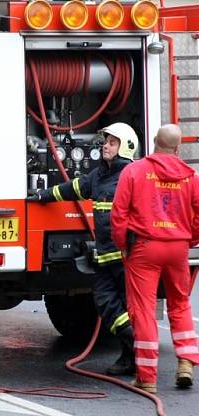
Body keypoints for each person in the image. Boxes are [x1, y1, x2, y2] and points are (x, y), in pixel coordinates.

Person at [28, 122, 137, 375]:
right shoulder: (99, 176)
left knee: (129, 306)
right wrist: (43, 195)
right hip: (105, 259)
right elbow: (73, 188)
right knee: (105, 302)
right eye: (106, 141)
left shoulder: (131, 176)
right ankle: (132, 344)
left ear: (126, 148)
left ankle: (132, 356)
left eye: (112, 143)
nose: (105, 146)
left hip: (125, 258)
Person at [111, 123, 199, 394]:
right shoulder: (191, 176)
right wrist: (190, 239)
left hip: (144, 249)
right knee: (180, 304)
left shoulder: (134, 171)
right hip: (178, 248)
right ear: (178, 147)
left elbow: (119, 214)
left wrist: (122, 245)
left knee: (144, 310)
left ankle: (147, 377)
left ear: (153, 142)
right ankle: (186, 361)